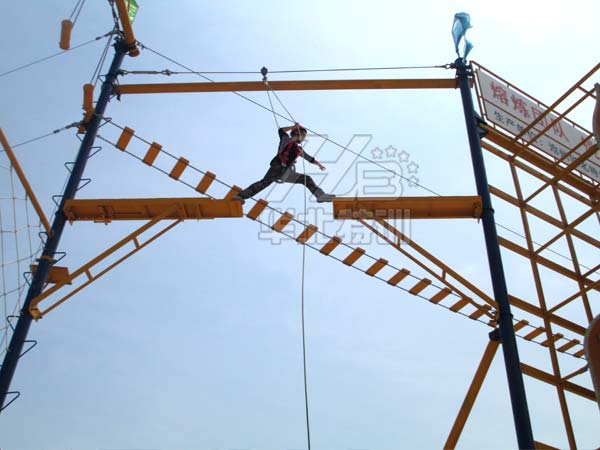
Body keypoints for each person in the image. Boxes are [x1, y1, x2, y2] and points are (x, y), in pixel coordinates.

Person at [232, 123, 336, 204]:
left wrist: (319, 165)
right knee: (263, 183)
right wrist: (293, 127)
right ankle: (240, 196)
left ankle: (320, 196)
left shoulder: (299, 149)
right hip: (277, 167)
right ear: (297, 133)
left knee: (306, 179)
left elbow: (310, 158)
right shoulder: (286, 139)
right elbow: (281, 130)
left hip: (286, 173)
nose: (304, 137)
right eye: (303, 135)